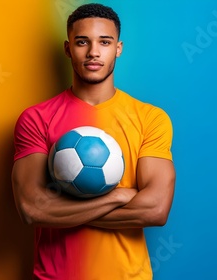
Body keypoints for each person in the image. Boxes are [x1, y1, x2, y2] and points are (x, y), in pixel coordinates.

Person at [12, 3, 176, 279]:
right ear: (68, 49)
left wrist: (60, 213)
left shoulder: (150, 118)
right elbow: (31, 208)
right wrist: (121, 196)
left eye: (105, 42)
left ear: (118, 48)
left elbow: (155, 210)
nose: (93, 52)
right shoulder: (36, 119)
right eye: (82, 42)